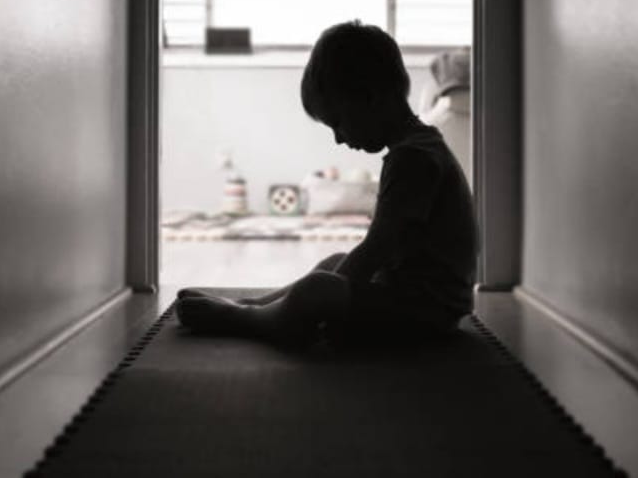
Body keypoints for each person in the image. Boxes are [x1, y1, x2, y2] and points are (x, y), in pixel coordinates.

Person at [176, 20, 479, 348]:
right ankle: (256, 305)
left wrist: (324, 301)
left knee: (320, 287)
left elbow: (377, 250)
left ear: (369, 99)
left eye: (338, 123)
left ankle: (249, 319)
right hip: (419, 297)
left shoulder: (413, 159)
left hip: (426, 313)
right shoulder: (419, 146)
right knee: (332, 263)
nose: (338, 139)